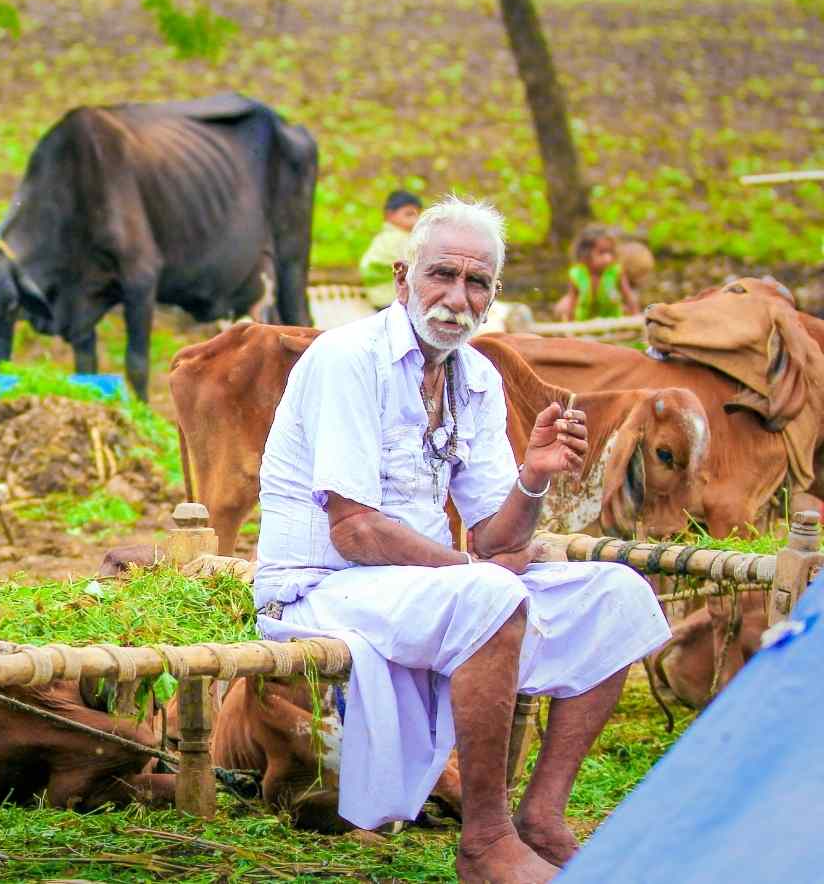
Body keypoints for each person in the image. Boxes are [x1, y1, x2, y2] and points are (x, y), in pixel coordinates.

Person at [254, 196, 669, 883]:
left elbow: (498, 543)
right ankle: (484, 840)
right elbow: (355, 531)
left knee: (618, 595)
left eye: (476, 283)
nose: (456, 297)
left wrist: (533, 479)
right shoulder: (346, 359)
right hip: (320, 585)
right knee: (490, 594)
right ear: (401, 279)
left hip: (423, 584)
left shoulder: (474, 376)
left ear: (493, 296)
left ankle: (543, 817)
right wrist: (477, 573)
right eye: (441, 275)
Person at [554, 225, 640, 322]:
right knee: (562, 306)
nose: (608, 258)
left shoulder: (615, 272)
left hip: (612, 322)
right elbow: (571, 303)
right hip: (584, 323)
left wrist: (636, 317)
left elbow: (628, 297)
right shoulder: (577, 274)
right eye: (602, 252)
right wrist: (569, 325)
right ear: (585, 253)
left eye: (610, 252)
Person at [360, 190, 423, 308]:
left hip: (379, 297)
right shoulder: (398, 239)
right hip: (391, 299)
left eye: (418, 214)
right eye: (409, 214)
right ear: (389, 215)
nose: (415, 220)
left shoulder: (383, 237)